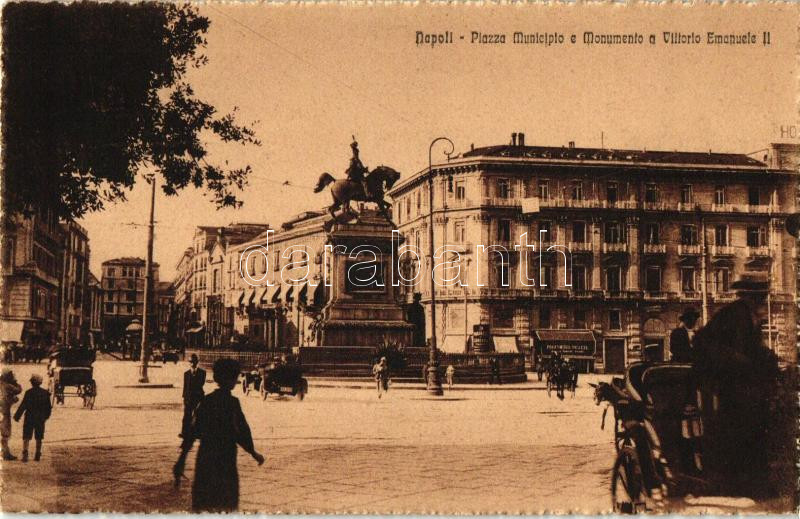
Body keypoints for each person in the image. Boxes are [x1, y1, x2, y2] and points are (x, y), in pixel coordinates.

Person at [691, 271, 780, 497]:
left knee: (755, 423)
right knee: (741, 426)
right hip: (724, 382)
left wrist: (770, 357)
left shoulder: (752, 317)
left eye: (763, 295)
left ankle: (752, 482)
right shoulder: (731, 314)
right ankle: (740, 484)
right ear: (746, 295)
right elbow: (702, 341)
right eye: (758, 296)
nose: (762, 300)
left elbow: (753, 350)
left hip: (743, 380)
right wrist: (734, 359)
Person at [174, 358, 265, 512]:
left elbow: (192, 432)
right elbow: (242, 432)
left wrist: (181, 460)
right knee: (225, 504)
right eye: (234, 377)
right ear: (231, 379)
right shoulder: (232, 403)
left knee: (204, 503)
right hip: (226, 459)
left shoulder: (206, 401)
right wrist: (253, 452)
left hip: (206, 458)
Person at [13, 374, 51, 462]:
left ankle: (25, 454)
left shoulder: (29, 392)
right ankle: (38, 454)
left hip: (29, 417)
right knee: (39, 436)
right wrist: (46, 416)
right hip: (40, 418)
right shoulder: (45, 393)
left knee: (26, 435)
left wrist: (17, 416)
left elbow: (23, 405)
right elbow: (48, 407)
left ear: (32, 383)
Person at [181, 354, 206, 439]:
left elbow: (201, 384)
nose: (192, 364)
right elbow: (185, 387)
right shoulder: (186, 374)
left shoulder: (202, 373)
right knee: (186, 416)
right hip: (188, 397)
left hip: (198, 397)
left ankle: (198, 433)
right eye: (190, 362)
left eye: (194, 362)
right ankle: (184, 432)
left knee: (198, 415)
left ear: (197, 362)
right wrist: (184, 398)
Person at [0, 369, 22, 460]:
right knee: (5, 433)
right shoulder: (8, 385)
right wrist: (16, 382)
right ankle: (5, 453)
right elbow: (18, 390)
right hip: (4, 411)